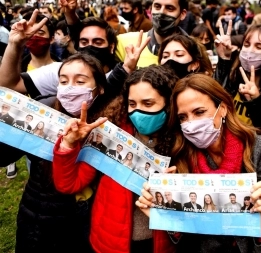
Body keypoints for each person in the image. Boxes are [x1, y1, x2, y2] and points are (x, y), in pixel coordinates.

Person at [136, 73, 261, 252]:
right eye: (183, 117)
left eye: (199, 112)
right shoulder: (180, 156)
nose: (190, 123)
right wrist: (166, 212)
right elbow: (181, 234)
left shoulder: (259, 146)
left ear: (223, 109)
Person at [53, 65, 179, 253]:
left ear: (169, 103)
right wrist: (68, 145)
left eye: (148, 103)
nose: (138, 112)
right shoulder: (111, 135)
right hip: (109, 241)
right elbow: (68, 184)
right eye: (132, 104)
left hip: (159, 244)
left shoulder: (182, 143)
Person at [0, 53, 107, 253]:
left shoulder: (108, 122)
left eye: (80, 81)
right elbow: (3, 156)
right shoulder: (42, 111)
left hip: (88, 223)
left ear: (99, 88)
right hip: (41, 220)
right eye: (63, 81)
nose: (69, 88)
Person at [0, 9, 120, 107]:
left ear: (111, 47)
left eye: (97, 42)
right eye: (84, 42)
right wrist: (14, 45)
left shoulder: (124, 77)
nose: (90, 46)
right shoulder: (60, 71)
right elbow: (8, 85)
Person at [214, 24, 261, 129]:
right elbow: (215, 98)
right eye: (247, 45)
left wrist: (256, 101)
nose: (250, 51)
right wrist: (224, 60)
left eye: (258, 46)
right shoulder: (234, 77)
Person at [115, 0, 189, 66]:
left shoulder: (193, 50)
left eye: (169, 8)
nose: (161, 12)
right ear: (151, 10)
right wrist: (125, 70)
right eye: (157, 6)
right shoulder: (124, 42)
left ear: (182, 14)